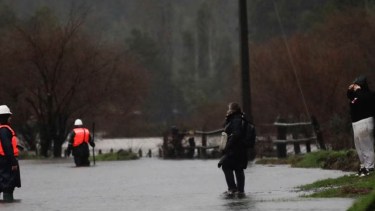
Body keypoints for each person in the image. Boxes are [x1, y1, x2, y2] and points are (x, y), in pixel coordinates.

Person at [218, 102, 250, 197]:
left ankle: (232, 189)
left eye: (229, 109)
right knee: (238, 168)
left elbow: (236, 134)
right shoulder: (239, 118)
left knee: (225, 165)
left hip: (235, 148)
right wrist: (227, 117)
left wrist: (227, 145)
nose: (227, 111)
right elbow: (224, 126)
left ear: (233, 110)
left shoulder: (236, 120)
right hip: (241, 149)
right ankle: (240, 190)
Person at [347, 75, 375, 177]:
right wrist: (350, 90)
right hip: (356, 123)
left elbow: (363, 99)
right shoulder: (355, 95)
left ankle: (370, 167)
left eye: (357, 85)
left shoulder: (368, 95)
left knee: (367, 146)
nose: (355, 87)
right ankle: (364, 166)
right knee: (359, 146)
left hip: (365, 122)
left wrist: (358, 91)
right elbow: (350, 98)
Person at [0, 105, 21, 202]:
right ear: (4, 117)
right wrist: (13, 162)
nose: (10, 118)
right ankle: (8, 202)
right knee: (8, 183)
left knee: (2, 182)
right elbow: (7, 146)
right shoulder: (4, 130)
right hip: (6, 160)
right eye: (9, 116)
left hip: (3, 159)